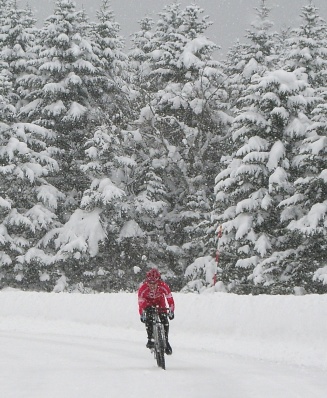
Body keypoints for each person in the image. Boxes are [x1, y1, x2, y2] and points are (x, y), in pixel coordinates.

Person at [138, 268, 175, 355]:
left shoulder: (163, 286)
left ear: (158, 281)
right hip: (147, 303)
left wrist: (171, 311)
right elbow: (140, 303)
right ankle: (150, 338)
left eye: (154, 283)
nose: (152, 285)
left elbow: (170, 299)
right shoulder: (143, 289)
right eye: (150, 283)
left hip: (159, 302)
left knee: (164, 319)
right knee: (149, 317)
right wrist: (142, 314)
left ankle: (165, 340)